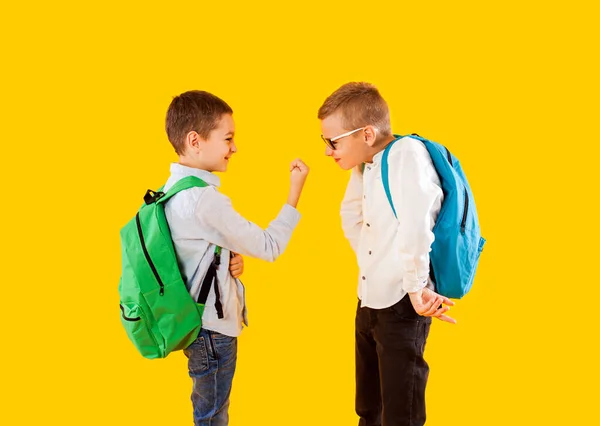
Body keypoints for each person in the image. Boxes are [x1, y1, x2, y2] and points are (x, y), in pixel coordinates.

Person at [163, 90, 309, 425]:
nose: (234, 147)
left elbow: (187, 256)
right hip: (213, 331)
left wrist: (227, 261)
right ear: (195, 141)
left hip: (194, 328)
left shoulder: (170, 190)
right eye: (228, 138)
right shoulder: (205, 201)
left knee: (207, 412)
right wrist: (295, 191)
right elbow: (269, 245)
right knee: (213, 418)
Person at [318, 82, 455, 426]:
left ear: (366, 133)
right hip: (368, 299)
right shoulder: (368, 163)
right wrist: (373, 264)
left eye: (332, 142)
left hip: (402, 302)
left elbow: (417, 225)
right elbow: (351, 215)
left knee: (400, 414)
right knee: (368, 409)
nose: (328, 151)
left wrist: (414, 285)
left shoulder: (407, 154)